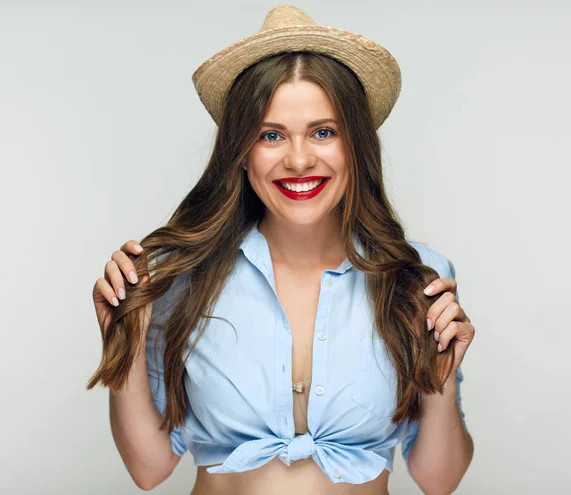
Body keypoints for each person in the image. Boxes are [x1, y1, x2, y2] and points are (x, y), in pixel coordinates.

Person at [87, 5, 475, 494]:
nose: (297, 159)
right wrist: (122, 336)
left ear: (356, 146)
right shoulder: (179, 274)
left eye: (323, 132)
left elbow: (440, 480)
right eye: (271, 135)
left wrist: (439, 379)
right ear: (242, 153)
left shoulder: (418, 276)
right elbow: (149, 468)